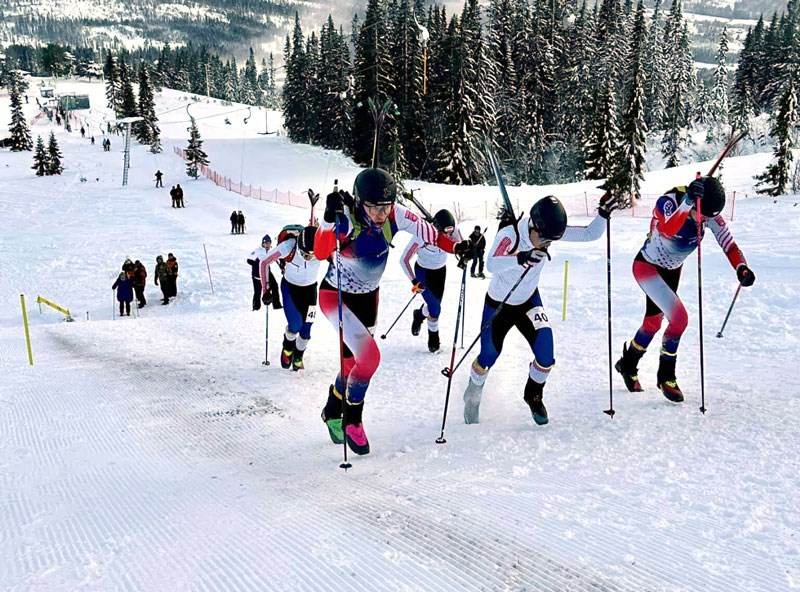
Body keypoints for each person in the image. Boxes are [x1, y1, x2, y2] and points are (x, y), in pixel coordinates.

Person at [315, 168, 471, 455]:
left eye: (385, 206)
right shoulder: (346, 220)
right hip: (335, 297)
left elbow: (432, 234)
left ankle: (331, 409)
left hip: (368, 299)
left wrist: (459, 247)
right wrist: (327, 219)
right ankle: (353, 419)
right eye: (373, 207)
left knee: (352, 365)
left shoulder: (394, 215)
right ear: (360, 202)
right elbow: (321, 251)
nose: (380, 214)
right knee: (370, 358)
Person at [462, 194, 617, 426]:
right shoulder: (510, 234)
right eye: (544, 239)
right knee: (488, 356)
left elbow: (588, 234)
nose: (547, 244)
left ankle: (533, 394)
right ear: (533, 225)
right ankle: (473, 394)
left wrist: (603, 214)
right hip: (499, 305)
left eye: (551, 241)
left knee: (546, 354)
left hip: (528, 301)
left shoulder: (548, 230)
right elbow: (492, 264)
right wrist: (521, 257)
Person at [614, 176, 756, 403]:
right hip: (647, 267)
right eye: (705, 217)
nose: (706, 222)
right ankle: (666, 376)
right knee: (679, 319)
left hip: (672, 271)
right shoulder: (668, 202)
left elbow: (728, 243)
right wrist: (688, 202)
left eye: (709, 218)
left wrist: (741, 267)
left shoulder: (707, 213)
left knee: (652, 323)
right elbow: (669, 229)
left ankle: (628, 364)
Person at [259, 226, 322, 371]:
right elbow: (264, 263)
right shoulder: (289, 246)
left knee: (306, 329)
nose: (309, 258)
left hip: (310, 290)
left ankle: (298, 356)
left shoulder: (321, 248)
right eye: (305, 255)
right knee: (295, 325)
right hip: (291, 289)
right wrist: (265, 289)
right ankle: (287, 349)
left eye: (312, 256)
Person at [401, 208, 463, 353]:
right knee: (435, 308)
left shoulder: (453, 231)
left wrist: (466, 253)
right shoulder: (422, 235)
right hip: (423, 273)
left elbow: (460, 246)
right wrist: (414, 281)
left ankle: (419, 314)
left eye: (450, 231)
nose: (448, 235)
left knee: (433, 308)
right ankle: (433, 338)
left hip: (440, 272)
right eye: (445, 232)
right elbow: (404, 260)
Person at [247, 235, 283, 311]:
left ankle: (276, 304)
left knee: (274, 286)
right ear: (262, 244)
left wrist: (281, 266)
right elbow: (249, 260)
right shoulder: (258, 251)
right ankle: (256, 307)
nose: (267, 245)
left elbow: (276, 259)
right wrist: (258, 264)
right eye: (265, 243)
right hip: (257, 274)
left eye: (269, 243)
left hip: (267, 272)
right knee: (257, 290)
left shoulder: (271, 250)